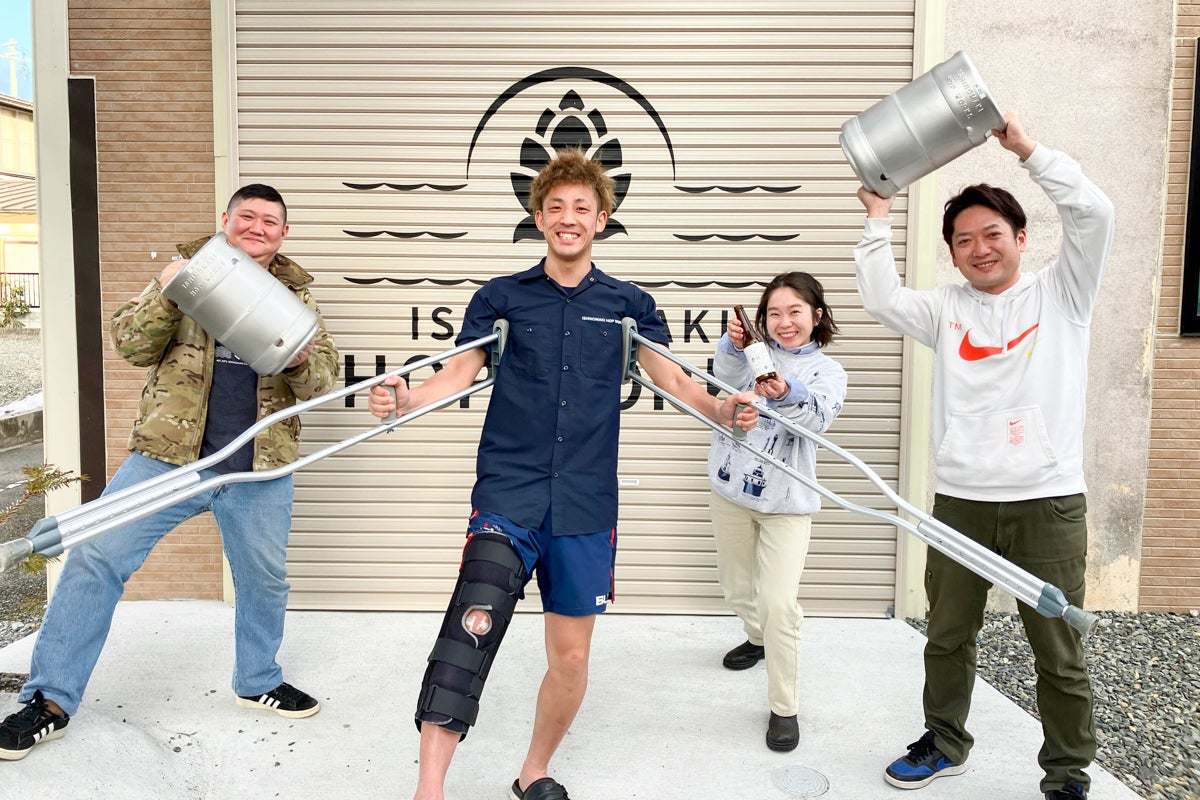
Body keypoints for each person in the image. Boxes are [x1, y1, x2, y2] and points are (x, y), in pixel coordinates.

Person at [367, 148, 759, 800]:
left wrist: (723, 410)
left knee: (571, 657)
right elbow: (457, 372)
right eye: (556, 207)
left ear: (602, 219)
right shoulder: (501, 298)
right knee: (471, 630)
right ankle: (429, 790)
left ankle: (533, 772)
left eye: (582, 207)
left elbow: (675, 381)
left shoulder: (631, 305)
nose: (568, 218)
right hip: (509, 493)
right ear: (539, 218)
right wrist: (406, 400)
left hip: (584, 504)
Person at [0, 184, 339, 761]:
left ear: (284, 234)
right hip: (167, 458)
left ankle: (257, 680)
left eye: (270, 221)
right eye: (247, 216)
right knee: (96, 556)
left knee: (264, 580)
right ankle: (48, 700)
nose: (257, 228)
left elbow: (322, 382)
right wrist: (171, 294)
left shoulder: (297, 298)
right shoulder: (188, 276)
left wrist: (302, 360)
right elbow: (129, 344)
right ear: (225, 219)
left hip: (257, 468)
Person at [853, 114, 1114, 800]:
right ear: (952, 253)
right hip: (962, 502)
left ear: (1021, 238)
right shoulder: (945, 309)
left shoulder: (1064, 294)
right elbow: (880, 298)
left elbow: (1094, 212)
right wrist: (877, 218)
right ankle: (945, 743)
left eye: (992, 234)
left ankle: (1067, 773)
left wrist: (1027, 149)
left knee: (1057, 648)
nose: (979, 248)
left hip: (1047, 502)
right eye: (964, 240)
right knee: (947, 635)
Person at [708, 271, 847, 752]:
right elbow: (720, 382)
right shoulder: (753, 354)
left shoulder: (829, 371)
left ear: (817, 316)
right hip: (730, 491)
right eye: (774, 313)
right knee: (736, 588)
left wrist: (786, 393)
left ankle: (784, 708)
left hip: (787, 504)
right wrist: (733, 347)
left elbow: (818, 420)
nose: (784, 322)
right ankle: (758, 638)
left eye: (795, 312)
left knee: (779, 605)